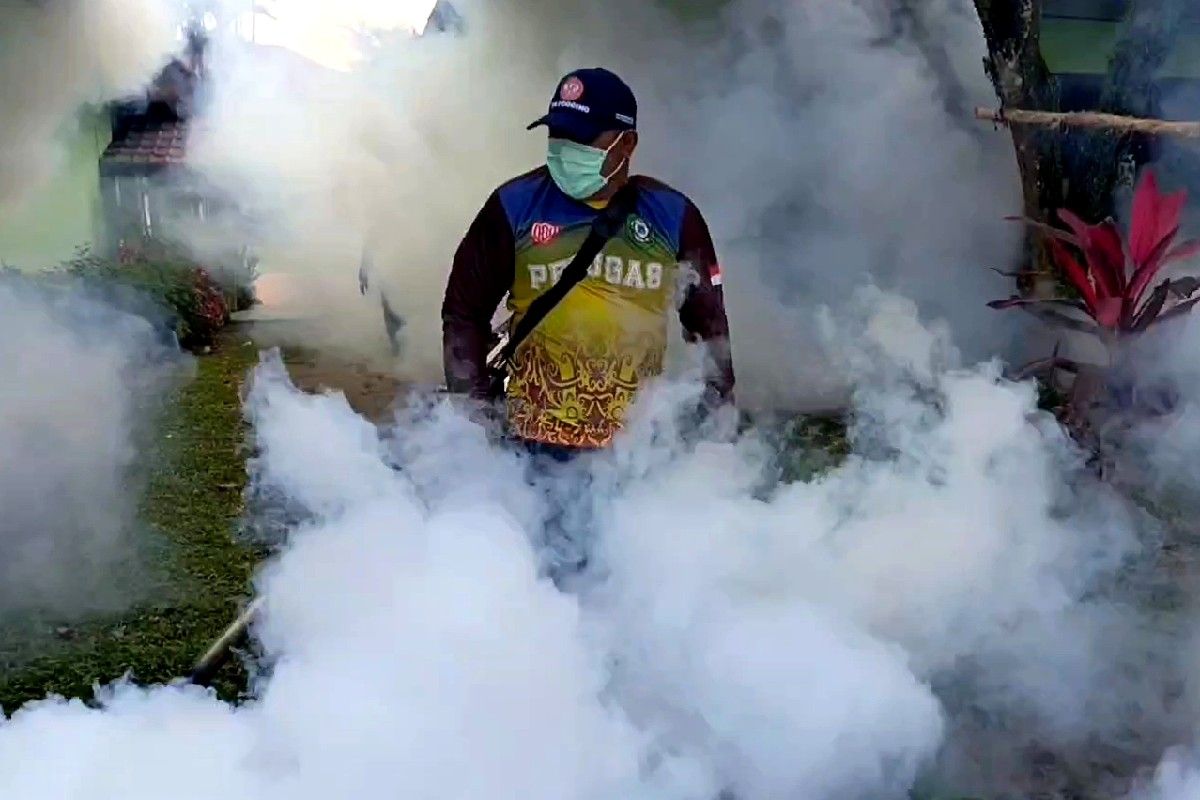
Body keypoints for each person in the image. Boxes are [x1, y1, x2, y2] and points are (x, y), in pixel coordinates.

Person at [441, 67, 735, 458]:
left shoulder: (675, 217)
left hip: (635, 455)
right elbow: (464, 312)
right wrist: (475, 418)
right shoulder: (513, 207)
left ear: (626, 143)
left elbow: (709, 328)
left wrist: (716, 428)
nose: (563, 147)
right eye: (557, 134)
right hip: (528, 452)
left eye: (579, 138)